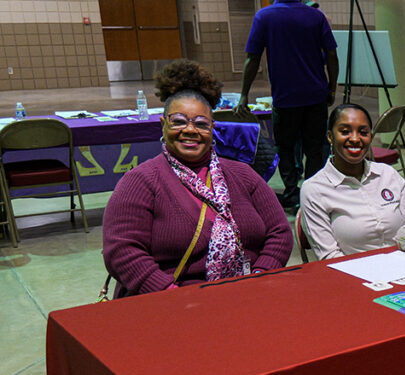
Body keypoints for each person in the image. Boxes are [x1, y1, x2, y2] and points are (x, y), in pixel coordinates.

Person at [103, 60, 293, 298]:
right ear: (163, 124)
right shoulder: (140, 182)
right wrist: (171, 294)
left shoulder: (243, 175)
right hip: (171, 302)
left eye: (201, 124)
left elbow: (279, 232)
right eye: (179, 121)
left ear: (213, 128)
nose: (190, 130)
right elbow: (122, 251)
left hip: (248, 294)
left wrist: (260, 275)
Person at [235, 0, 339, 210]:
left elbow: (252, 58)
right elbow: (331, 54)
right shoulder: (315, 16)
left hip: (285, 98)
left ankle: (292, 192)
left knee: (285, 148)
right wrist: (332, 88)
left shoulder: (265, 16)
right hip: (315, 96)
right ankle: (313, 194)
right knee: (315, 149)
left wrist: (244, 94)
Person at [300, 103, 405, 259]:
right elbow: (329, 256)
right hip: (350, 272)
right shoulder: (315, 190)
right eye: (345, 132)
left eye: (363, 132)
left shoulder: (389, 175)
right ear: (330, 137)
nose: (355, 139)